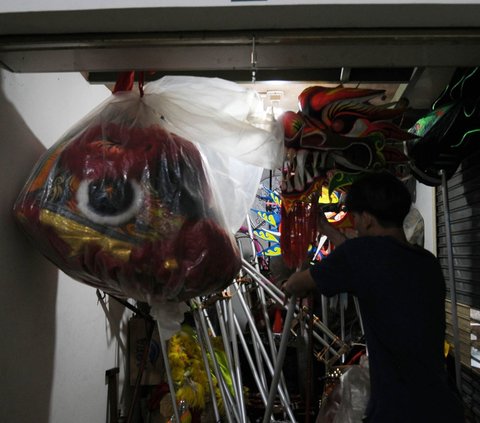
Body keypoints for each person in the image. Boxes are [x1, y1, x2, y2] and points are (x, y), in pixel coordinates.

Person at [282, 171, 465, 423]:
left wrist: (289, 282)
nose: (354, 224)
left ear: (367, 219)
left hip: (399, 411)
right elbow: (358, 256)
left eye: (355, 217)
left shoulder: (362, 256)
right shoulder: (426, 262)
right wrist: (324, 228)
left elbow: (297, 284)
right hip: (444, 406)